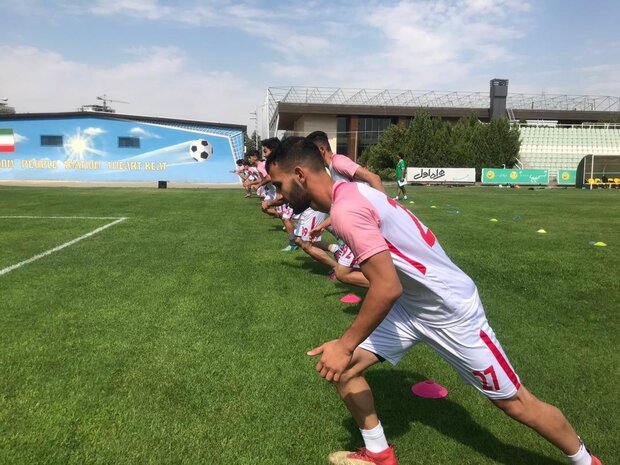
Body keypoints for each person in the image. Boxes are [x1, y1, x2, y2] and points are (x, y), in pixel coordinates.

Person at [266, 137, 602, 465]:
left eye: (279, 184)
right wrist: (345, 346)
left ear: (299, 174)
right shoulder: (353, 194)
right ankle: (380, 454)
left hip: (451, 312)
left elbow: (385, 287)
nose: (278, 195)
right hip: (412, 307)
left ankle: (587, 461)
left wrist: (345, 342)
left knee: (517, 404)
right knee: (343, 369)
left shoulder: (347, 209)